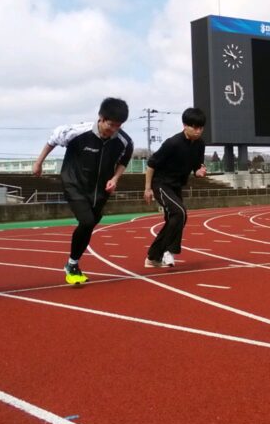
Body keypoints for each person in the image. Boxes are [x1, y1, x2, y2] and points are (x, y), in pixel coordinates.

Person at [33, 97, 133, 284]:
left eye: (118, 126)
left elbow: (123, 161)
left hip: (100, 189)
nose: (114, 130)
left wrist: (114, 179)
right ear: (101, 118)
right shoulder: (76, 132)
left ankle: (73, 263)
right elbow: (52, 140)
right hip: (74, 183)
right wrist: (39, 162)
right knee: (87, 221)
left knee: (92, 222)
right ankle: (72, 264)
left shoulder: (124, 141)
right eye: (110, 125)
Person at [143, 107, 207, 268]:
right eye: (195, 127)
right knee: (180, 213)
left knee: (175, 219)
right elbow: (151, 164)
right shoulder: (172, 143)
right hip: (161, 184)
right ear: (185, 126)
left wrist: (199, 172)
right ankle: (168, 251)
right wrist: (148, 189)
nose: (198, 131)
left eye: (201, 128)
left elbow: (197, 166)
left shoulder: (200, 144)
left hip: (177, 186)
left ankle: (153, 257)